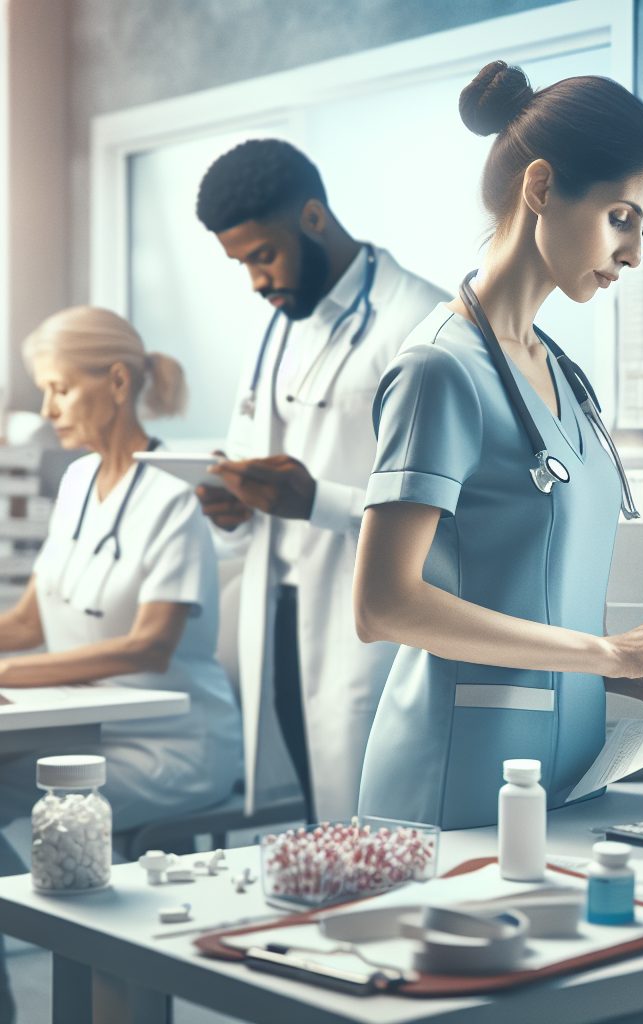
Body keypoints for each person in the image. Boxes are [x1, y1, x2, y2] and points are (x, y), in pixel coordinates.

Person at [353, 62, 643, 830]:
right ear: (541, 188)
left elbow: (524, 601)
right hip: (456, 786)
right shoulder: (441, 370)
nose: (633, 254)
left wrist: (634, 680)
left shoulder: (560, 372)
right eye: (622, 217)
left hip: (569, 784)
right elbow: (384, 604)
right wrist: (613, 656)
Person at [0, 307, 242, 1022]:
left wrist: (7, 675)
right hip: (89, 730)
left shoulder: (176, 493)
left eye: (57, 390)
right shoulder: (75, 481)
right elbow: (26, 621)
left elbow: (149, 646)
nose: (46, 411)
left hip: (173, 743)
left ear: (113, 381)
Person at [194, 140, 446, 823]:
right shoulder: (283, 325)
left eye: (261, 255)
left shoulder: (422, 326)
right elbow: (259, 459)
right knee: (316, 819)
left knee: (376, 831)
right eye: (241, 263)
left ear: (312, 217)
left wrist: (316, 502)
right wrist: (234, 504)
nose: (255, 281)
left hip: (365, 631)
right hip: (280, 610)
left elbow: (456, 513)